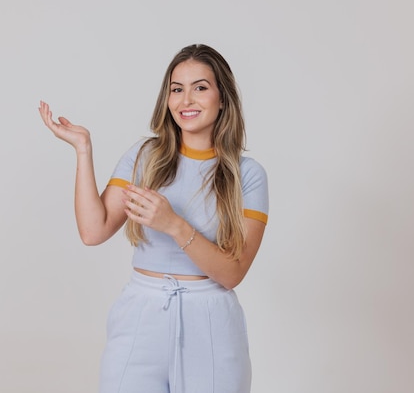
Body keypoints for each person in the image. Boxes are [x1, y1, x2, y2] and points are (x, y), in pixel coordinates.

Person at [38, 44, 269, 393]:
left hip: (210, 321)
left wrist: (173, 224)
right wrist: (83, 150)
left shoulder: (247, 175)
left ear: (223, 98)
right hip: (141, 314)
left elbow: (232, 272)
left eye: (200, 87)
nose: (186, 100)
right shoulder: (145, 156)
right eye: (177, 89)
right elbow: (93, 230)